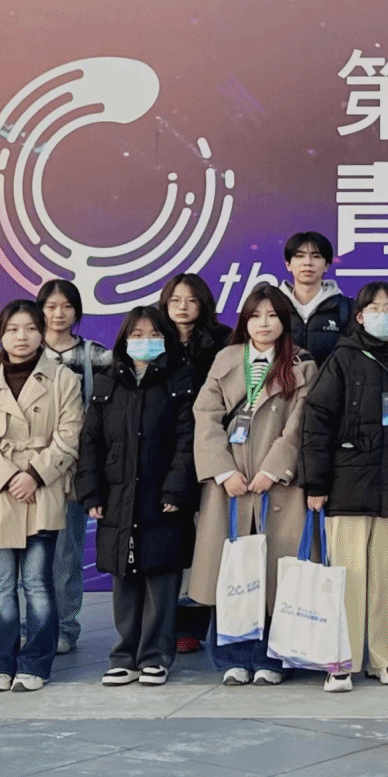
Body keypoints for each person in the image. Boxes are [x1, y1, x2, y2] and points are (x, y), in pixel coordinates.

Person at [298, 281, 388, 690]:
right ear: (359, 316)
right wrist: (315, 483)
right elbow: (316, 422)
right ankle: (342, 660)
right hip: (347, 485)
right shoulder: (343, 358)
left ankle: (385, 659)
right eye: (374, 308)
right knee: (347, 577)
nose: (382, 315)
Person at [189, 284, 314, 685]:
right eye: (256, 316)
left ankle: (271, 659)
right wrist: (223, 471)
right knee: (231, 569)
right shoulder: (225, 360)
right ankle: (231, 658)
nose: (264, 324)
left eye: (273, 316)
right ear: (245, 321)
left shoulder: (301, 364)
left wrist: (273, 469)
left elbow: (299, 425)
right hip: (231, 484)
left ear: (284, 322)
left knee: (275, 572)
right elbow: (205, 417)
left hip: (276, 486)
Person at [0, 300, 84, 693]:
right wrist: (9, 475)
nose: (22, 337)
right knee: (0, 584)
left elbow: (70, 436)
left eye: (30, 328)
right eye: (12, 329)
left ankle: (35, 663)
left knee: (37, 582)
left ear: (42, 332)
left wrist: (34, 475)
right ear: (1, 335)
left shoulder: (63, 379)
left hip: (40, 492)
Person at [79, 305, 199, 689]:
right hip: (118, 497)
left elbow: (187, 441)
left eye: (153, 335)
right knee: (124, 577)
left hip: (162, 497)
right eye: (137, 335)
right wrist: (91, 493)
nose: (144, 342)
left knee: (161, 578)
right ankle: (123, 656)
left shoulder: (180, 381)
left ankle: (155, 656)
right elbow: (90, 443)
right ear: (124, 340)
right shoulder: (106, 383)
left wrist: (176, 489)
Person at [36, 279, 110, 657]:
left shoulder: (96, 355)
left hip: (73, 469)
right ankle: (31, 626)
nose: (58, 314)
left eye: (66, 306)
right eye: (51, 306)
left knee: (66, 553)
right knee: (29, 553)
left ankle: (65, 626)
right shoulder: (24, 352)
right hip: (29, 470)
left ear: (77, 311)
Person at [158, 272, 231, 653]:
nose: (183, 307)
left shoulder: (225, 340)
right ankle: (162, 623)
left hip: (210, 444)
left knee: (207, 536)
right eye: (175, 300)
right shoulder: (153, 338)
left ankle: (194, 623)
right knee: (169, 534)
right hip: (165, 447)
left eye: (191, 300)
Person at [282, 231, 351, 363]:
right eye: (300, 256)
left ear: (327, 265)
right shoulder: (274, 306)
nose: (307, 263)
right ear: (288, 264)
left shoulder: (346, 308)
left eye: (316, 256)